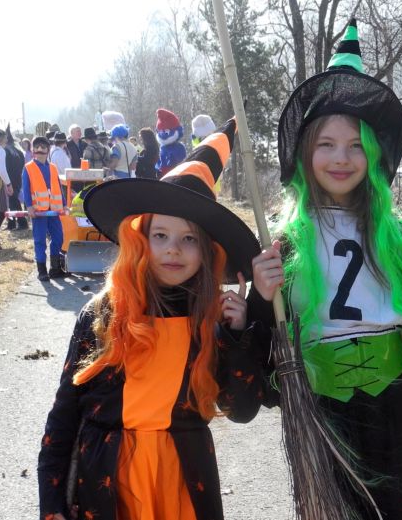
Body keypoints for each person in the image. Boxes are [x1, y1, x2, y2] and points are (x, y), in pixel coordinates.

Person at [251, 19, 402, 520]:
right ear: (304, 152)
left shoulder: (397, 237)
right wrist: (259, 295)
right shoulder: (284, 241)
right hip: (324, 418)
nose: (341, 158)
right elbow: (265, 346)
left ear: (375, 154)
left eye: (356, 145)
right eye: (326, 144)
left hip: (396, 412)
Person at [37, 118, 269, 520]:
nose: (172, 250)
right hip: (107, 485)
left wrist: (236, 337)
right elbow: (64, 413)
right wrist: (51, 502)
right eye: (160, 235)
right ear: (139, 240)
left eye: (189, 238)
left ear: (208, 251)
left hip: (183, 486)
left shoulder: (211, 320)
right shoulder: (102, 315)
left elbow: (242, 409)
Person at [22, 136, 67, 281]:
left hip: (54, 211)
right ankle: (42, 270)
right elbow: (26, 189)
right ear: (33, 150)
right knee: (40, 240)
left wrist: (64, 204)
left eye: (43, 146)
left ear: (48, 150)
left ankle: (55, 268)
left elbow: (58, 187)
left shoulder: (52, 167)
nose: (40, 149)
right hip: (39, 211)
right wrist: (29, 207)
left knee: (58, 237)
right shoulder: (28, 167)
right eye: (36, 147)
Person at [3, 127, 28, 230]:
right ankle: (15, 223)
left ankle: (18, 223)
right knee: (13, 201)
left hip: (10, 178)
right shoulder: (18, 150)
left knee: (12, 202)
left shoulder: (6, 151)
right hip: (17, 178)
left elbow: (6, 166)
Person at [155, 108, 187, 177]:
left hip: (176, 175)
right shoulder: (162, 148)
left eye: (166, 131)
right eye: (161, 131)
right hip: (164, 176)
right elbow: (159, 163)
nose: (163, 135)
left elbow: (183, 162)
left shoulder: (179, 147)